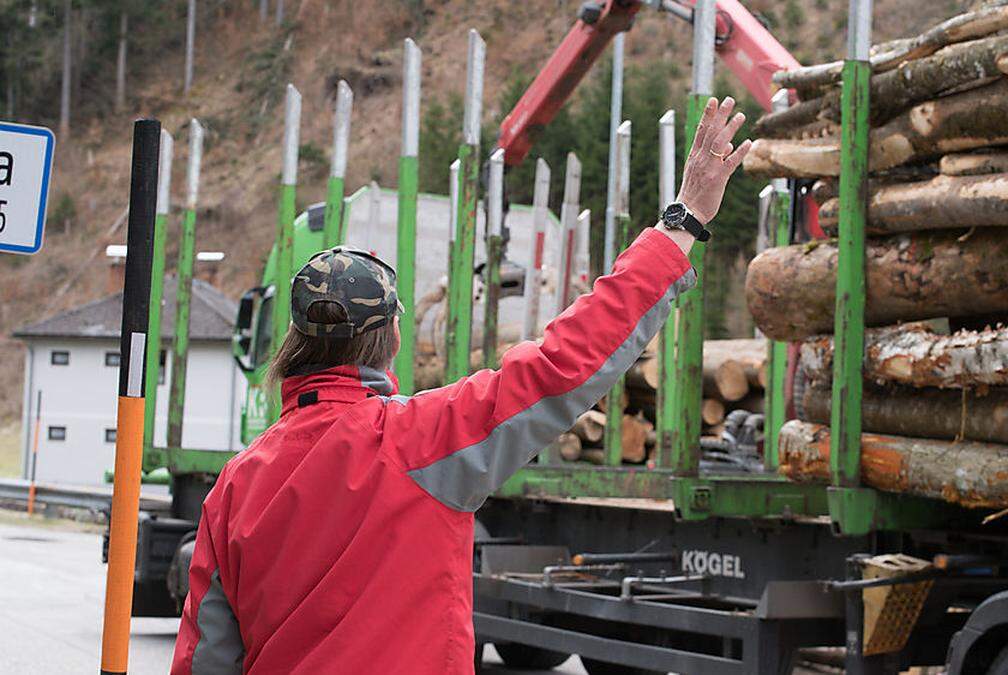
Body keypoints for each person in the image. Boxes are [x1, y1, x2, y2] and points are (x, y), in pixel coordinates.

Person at [171, 96, 753, 674]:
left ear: (293, 343)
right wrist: (681, 224)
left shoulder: (235, 485)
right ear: (393, 336)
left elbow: (205, 661)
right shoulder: (421, 441)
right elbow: (564, 362)